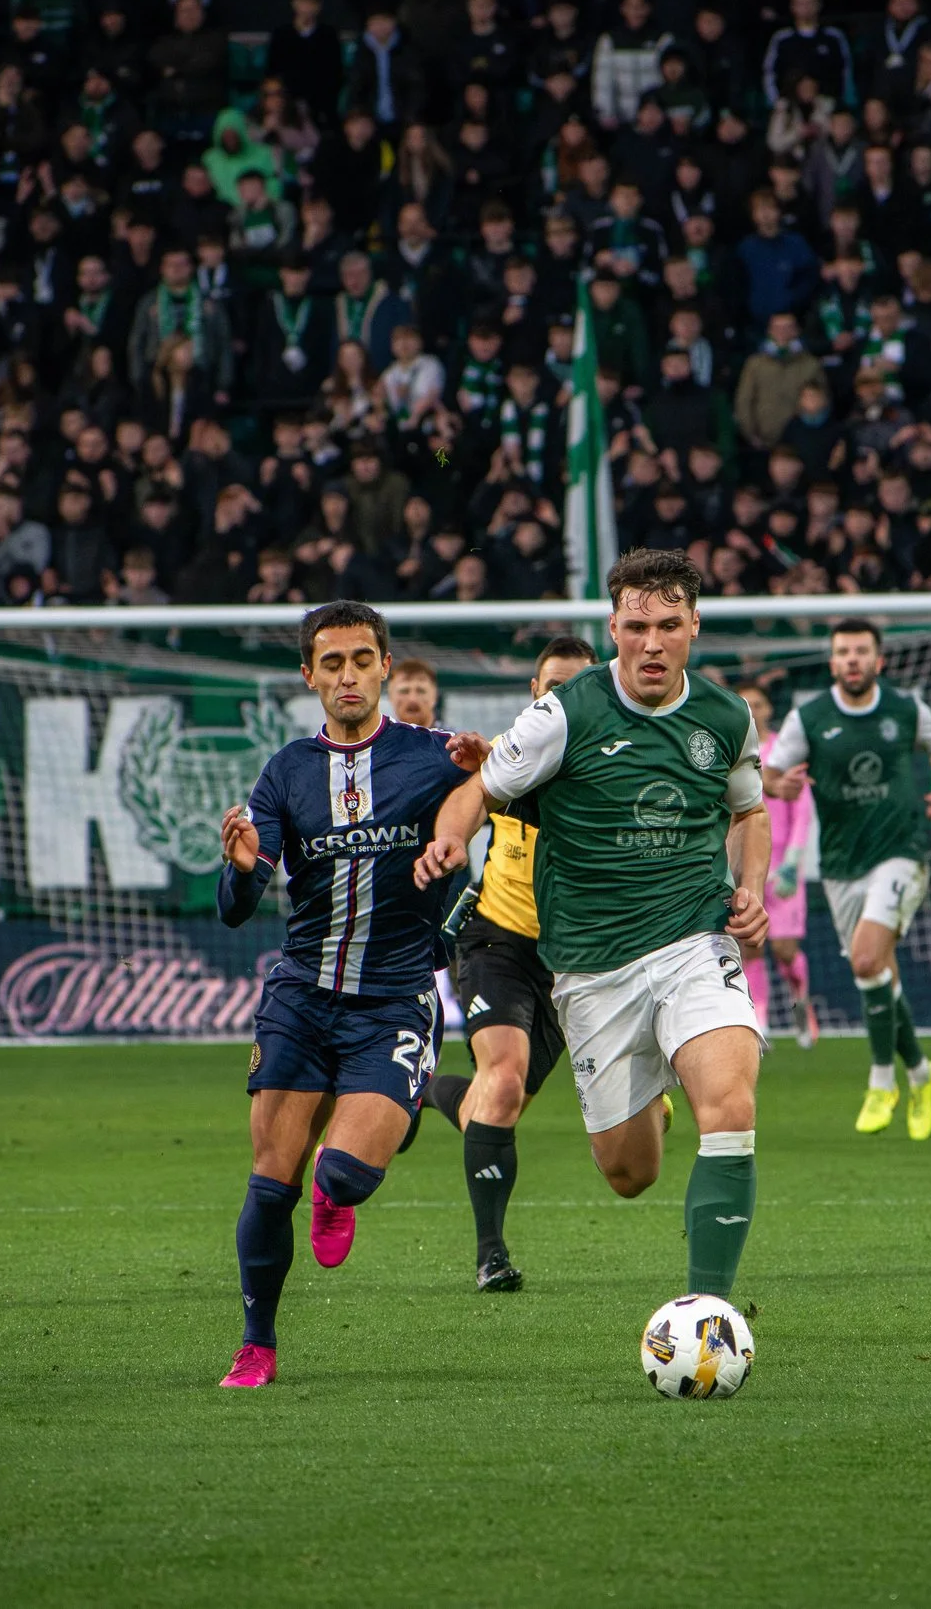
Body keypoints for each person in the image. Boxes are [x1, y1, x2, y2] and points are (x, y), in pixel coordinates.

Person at [417, 549, 771, 1308]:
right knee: (629, 1172)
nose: (652, 642)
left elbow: (749, 810)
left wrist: (749, 888)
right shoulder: (564, 713)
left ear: (693, 627)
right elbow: (478, 788)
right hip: (591, 968)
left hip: (693, 942)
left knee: (733, 1105)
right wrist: (451, 840)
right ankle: (648, 1084)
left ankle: (708, 1315)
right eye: (636, 625)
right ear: (614, 626)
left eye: (668, 625)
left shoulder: (724, 714)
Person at [212, 601, 489, 1388]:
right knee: (271, 1180)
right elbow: (237, 905)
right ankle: (257, 1342)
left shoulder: (437, 756)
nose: (347, 676)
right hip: (302, 995)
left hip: (395, 999)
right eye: (330, 663)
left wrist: (484, 767)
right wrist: (237, 866)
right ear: (309, 675)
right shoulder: (288, 771)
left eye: (361, 660)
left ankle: (339, 1190)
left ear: (385, 668)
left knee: (340, 1176)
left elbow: (517, 786)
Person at [438, 636, 598, 1291]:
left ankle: (418, 1090)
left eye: (575, 687)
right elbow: (498, 795)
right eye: (552, 684)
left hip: (571, 964)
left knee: (493, 1106)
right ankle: (491, 1255)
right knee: (501, 1087)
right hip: (496, 942)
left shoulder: (605, 765)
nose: (561, 696)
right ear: (535, 690)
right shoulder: (515, 751)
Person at [762, 618, 931, 1138]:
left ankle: (881, 1081)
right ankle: (921, 1071)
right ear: (832, 663)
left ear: (879, 660)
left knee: (870, 959)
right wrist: (779, 786)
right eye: (843, 652)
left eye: (861, 651)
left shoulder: (904, 708)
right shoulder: (810, 718)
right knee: (877, 976)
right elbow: (768, 770)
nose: (852, 659)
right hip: (841, 864)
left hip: (901, 851)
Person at [741, 682, 816, 1049]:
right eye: (745, 704)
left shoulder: (782, 752)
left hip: (783, 865)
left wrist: (793, 862)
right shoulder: (733, 755)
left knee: (785, 950)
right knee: (750, 946)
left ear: (769, 708)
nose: (752, 709)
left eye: (758, 702)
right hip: (747, 865)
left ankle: (801, 1002)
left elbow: (801, 809)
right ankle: (761, 1020)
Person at [388, 656, 439, 728]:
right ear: (391, 696)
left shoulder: (454, 738)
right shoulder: (379, 738)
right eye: (404, 691)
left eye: (421, 691)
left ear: (434, 695)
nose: (412, 699)